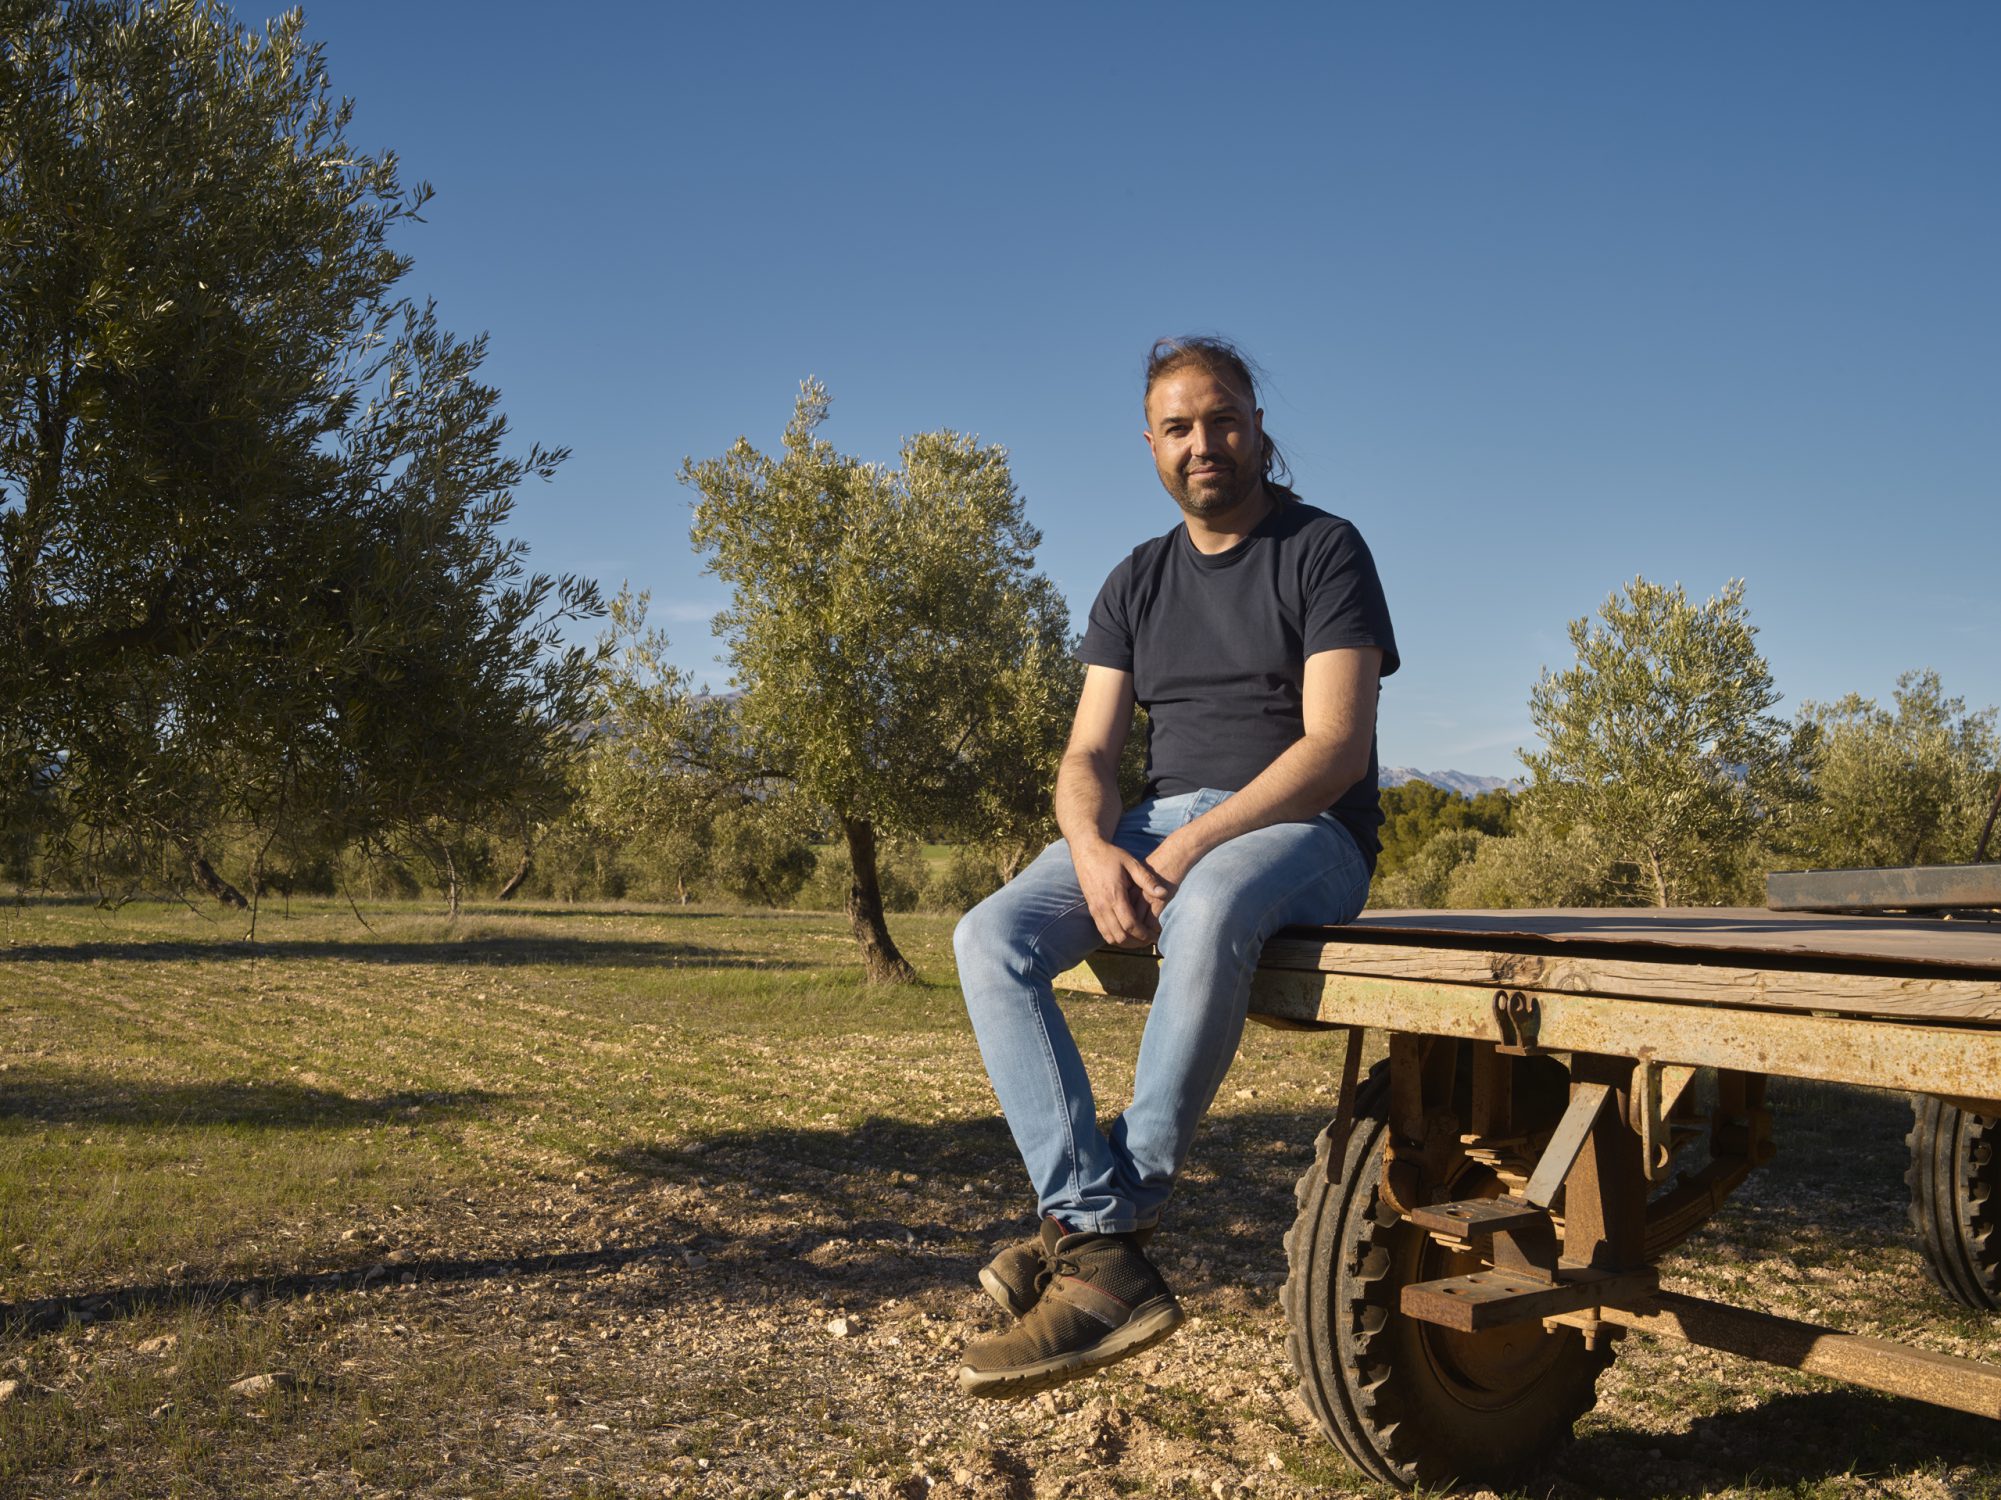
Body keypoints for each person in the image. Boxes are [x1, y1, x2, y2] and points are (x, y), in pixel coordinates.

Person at [953, 336, 1398, 1399]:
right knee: (989, 938)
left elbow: (1335, 747)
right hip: (1154, 826)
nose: (1206, 443)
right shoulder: (1136, 581)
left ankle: (1092, 1237)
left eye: (1225, 419)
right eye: (1180, 426)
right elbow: (1088, 755)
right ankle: (1095, 1238)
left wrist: (1193, 846)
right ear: (1150, 443)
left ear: (1257, 425)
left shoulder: (1325, 549)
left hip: (1309, 832)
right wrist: (1097, 847)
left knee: (1208, 910)